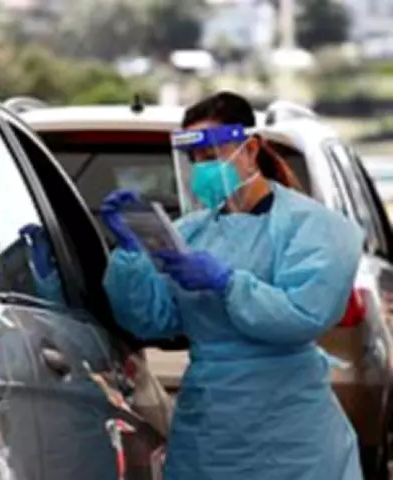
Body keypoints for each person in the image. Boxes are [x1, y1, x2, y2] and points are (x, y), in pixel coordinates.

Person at [100, 90, 364, 480]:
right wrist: (130, 255)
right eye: (195, 160)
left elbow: (303, 316)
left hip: (289, 425)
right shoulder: (191, 231)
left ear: (250, 149)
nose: (202, 168)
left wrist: (228, 284)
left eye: (212, 156)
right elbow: (153, 321)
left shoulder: (314, 227)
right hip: (210, 427)